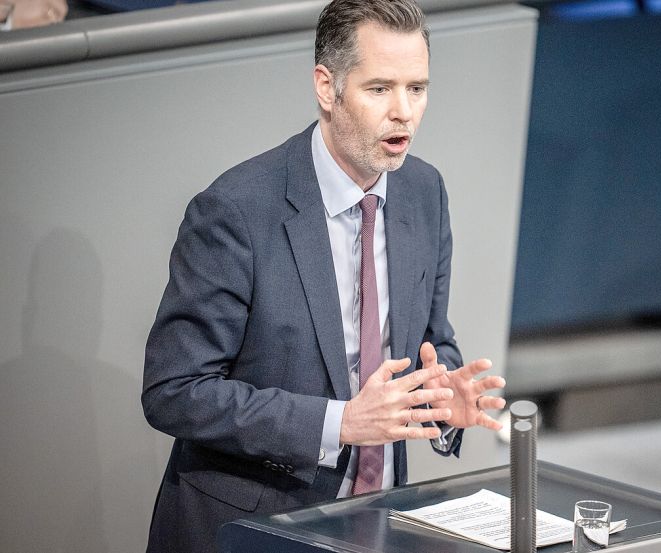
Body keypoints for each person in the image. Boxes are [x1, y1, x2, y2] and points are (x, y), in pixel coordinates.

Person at [141, 1, 507, 551]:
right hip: (254, 528)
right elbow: (174, 391)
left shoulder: (424, 193)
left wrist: (439, 397)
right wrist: (338, 424)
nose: (404, 112)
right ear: (326, 87)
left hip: (379, 521)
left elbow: (432, 338)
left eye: (418, 88)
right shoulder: (236, 211)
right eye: (380, 88)